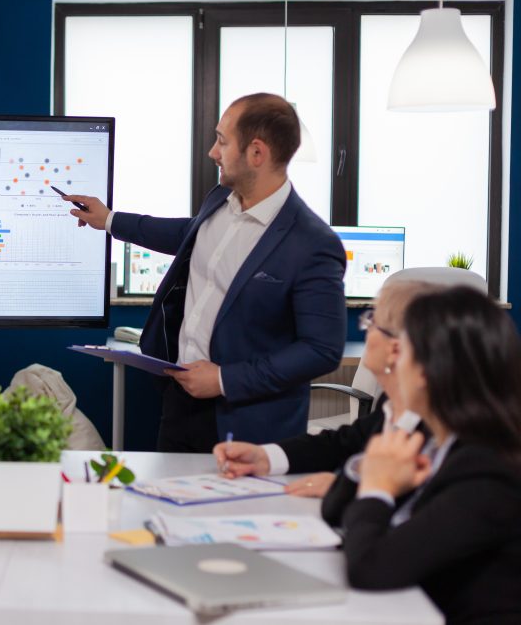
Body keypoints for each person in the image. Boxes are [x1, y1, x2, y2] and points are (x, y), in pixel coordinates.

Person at [64, 93, 346, 452]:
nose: (213, 152)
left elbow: (321, 350)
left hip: (248, 421)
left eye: (223, 141)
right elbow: (188, 235)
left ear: (257, 153)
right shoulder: (218, 199)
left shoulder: (312, 244)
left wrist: (225, 379)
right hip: (179, 403)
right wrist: (110, 220)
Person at [342, 286, 521, 624]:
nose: (395, 360)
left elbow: (372, 568)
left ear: (425, 372)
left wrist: (376, 487)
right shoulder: (445, 444)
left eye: (403, 351)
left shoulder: (488, 469)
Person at [212, 279, 438, 505]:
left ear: (395, 349)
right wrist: (264, 457)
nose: (366, 329)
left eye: (372, 321)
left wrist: (344, 488)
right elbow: (340, 444)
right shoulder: (390, 405)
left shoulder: (436, 432)